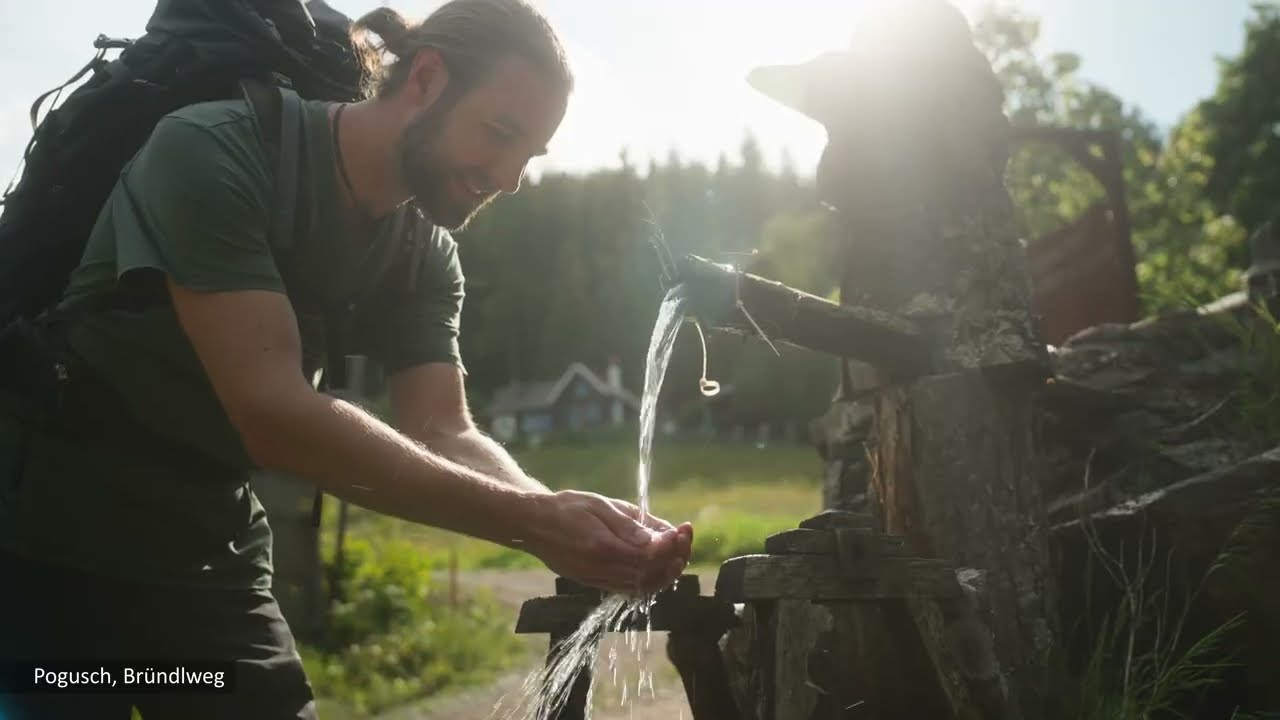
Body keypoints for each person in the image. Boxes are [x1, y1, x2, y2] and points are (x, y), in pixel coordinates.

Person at [0, 1, 693, 717]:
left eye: (529, 154)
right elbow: (273, 411)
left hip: (207, 548)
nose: (510, 177)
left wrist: (553, 513)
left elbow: (444, 430)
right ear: (424, 79)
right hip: (50, 545)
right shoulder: (212, 150)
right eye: (499, 133)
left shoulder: (425, 256)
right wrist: (532, 522)